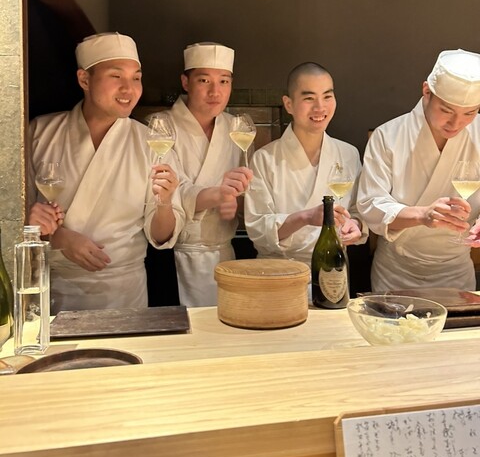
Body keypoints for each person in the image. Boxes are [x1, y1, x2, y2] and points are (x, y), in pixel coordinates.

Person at [28, 32, 184, 312]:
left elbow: (161, 237)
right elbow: (15, 211)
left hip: (123, 292)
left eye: (136, 78)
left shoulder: (151, 143)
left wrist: (165, 201)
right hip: (52, 288)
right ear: (84, 80)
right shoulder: (40, 133)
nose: (129, 89)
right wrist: (58, 237)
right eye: (116, 76)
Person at [357, 48, 480, 292]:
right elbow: (371, 204)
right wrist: (422, 215)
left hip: (456, 271)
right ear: (426, 91)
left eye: (469, 113)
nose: (456, 123)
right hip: (397, 272)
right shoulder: (388, 136)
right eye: (446, 110)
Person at [244, 62, 366, 273]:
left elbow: (359, 211)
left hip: (333, 270)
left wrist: (355, 225)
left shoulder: (348, 154)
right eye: (309, 98)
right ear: (288, 104)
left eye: (327, 96)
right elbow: (258, 228)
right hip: (279, 272)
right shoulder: (265, 159)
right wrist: (305, 217)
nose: (320, 107)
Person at [165, 42, 252, 306]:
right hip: (173, 258)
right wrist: (217, 195)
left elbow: (249, 193)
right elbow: (167, 193)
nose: (215, 91)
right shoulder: (161, 127)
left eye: (224, 81)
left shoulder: (237, 129)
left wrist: (235, 204)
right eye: (204, 80)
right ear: (186, 82)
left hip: (225, 255)